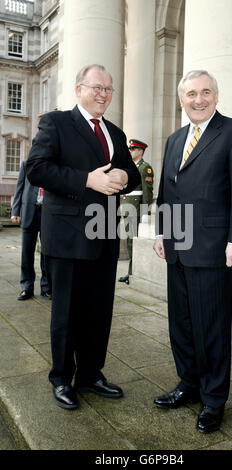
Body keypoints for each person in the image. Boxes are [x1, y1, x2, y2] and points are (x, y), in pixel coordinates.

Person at [26, 64, 140, 410]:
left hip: (105, 233)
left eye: (108, 89)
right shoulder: (57, 123)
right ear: (79, 90)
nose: (103, 94)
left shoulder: (116, 134)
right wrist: (86, 180)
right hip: (68, 235)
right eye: (96, 88)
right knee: (67, 312)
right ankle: (61, 377)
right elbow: (37, 169)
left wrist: (122, 172)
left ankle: (91, 375)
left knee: (99, 310)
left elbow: (133, 177)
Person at [153, 70, 232, 433]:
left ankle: (214, 399)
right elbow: (167, 191)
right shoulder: (174, 138)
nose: (198, 100)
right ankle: (189, 384)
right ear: (181, 100)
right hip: (177, 247)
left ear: (216, 96)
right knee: (181, 323)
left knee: (210, 326)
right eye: (191, 94)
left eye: (205, 92)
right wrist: (161, 233)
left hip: (214, 249)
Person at [11, 161, 51, 300]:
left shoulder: (52, 165)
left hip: (48, 214)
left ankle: (46, 287)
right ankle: (26, 287)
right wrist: (15, 211)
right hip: (29, 212)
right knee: (27, 253)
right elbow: (19, 188)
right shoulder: (26, 164)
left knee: (47, 253)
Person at [118, 139, 154, 284]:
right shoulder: (131, 167)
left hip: (136, 208)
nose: (130, 151)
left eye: (133, 149)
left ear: (141, 151)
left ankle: (133, 273)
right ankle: (130, 272)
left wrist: (145, 211)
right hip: (128, 208)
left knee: (133, 242)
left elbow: (147, 191)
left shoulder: (145, 167)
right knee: (129, 242)